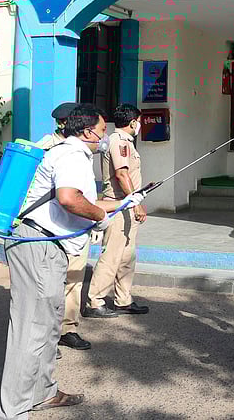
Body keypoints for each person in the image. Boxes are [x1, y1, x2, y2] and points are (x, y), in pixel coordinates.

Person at [0, 104, 145, 419]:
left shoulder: (71, 153)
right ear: (86, 131)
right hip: (38, 245)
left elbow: (81, 199)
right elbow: (69, 199)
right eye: (102, 132)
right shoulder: (72, 154)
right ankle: (13, 412)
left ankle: (43, 392)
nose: (104, 139)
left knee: (48, 325)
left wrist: (123, 202)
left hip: (48, 247)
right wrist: (102, 216)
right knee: (31, 330)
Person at [35, 102, 92, 353]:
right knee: (49, 284)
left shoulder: (80, 148)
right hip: (52, 226)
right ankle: (47, 336)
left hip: (75, 225)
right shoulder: (46, 146)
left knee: (74, 279)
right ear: (64, 123)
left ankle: (68, 328)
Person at [85, 103, 149, 317]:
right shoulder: (118, 141)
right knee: (112, 255)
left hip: (127, 205)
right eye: (138, 121)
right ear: (132, 122)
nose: (139, 125)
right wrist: (136, 203)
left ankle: (123, 299)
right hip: (119, 205)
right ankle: (95, 301)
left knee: (127, 257)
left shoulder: (126, 142)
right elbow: (122, 174)